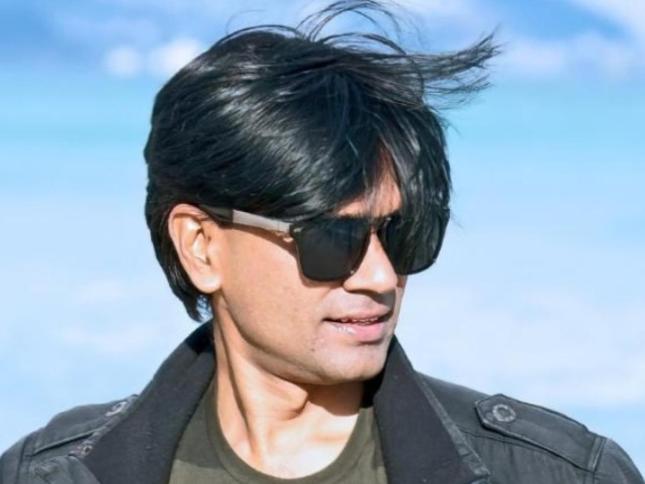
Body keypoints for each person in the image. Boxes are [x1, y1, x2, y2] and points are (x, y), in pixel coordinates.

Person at [2, 1, 643, 483]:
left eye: (404, 234)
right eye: (332, 239)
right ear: (200, 245)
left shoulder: (559, 475)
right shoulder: (47, 474)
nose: (381, 277)